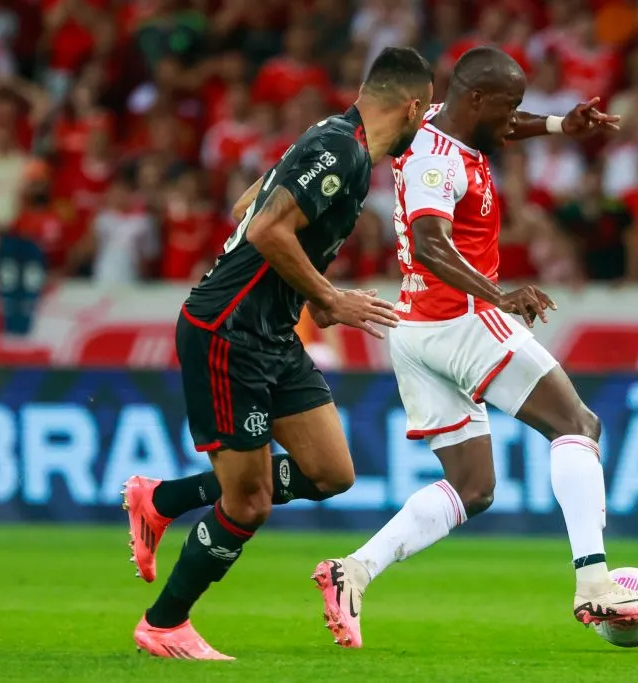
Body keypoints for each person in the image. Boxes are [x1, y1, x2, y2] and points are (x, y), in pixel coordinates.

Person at [312, 46, 638, 648]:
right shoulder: (436, 160)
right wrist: (496, 294)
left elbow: (503, 132)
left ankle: (354, 571)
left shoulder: (431, 124)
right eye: (508, 106)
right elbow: (429, 244)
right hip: (461, 318)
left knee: (472, 488)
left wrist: (559, 126)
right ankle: (594, 583)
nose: (515, 118)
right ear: (474, 100)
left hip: (416, 328)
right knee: (577, 424)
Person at [121, 46, 434, 660]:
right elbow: (264, 228)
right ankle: (163, 624)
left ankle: (163, 499)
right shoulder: (340, 149)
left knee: (330, 472)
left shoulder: (333, 141)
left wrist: (311, 299)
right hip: (227, 330)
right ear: (413, 106)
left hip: (272, 333)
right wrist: (329, 297)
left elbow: (248, 208)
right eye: (423, 116)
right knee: (249, 501)